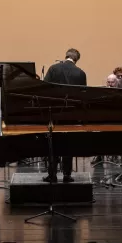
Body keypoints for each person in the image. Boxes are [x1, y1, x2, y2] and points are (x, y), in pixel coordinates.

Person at [43, 48, 87, 183]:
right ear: (76, 59)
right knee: (68, 143)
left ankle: (52, 174)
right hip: (72, 114)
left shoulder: (53, 69)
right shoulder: (81, 73)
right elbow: (83, 95)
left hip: (55, 113)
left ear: (66, 56)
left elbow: (44, 88)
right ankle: (67, 174)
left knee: (53, 143)